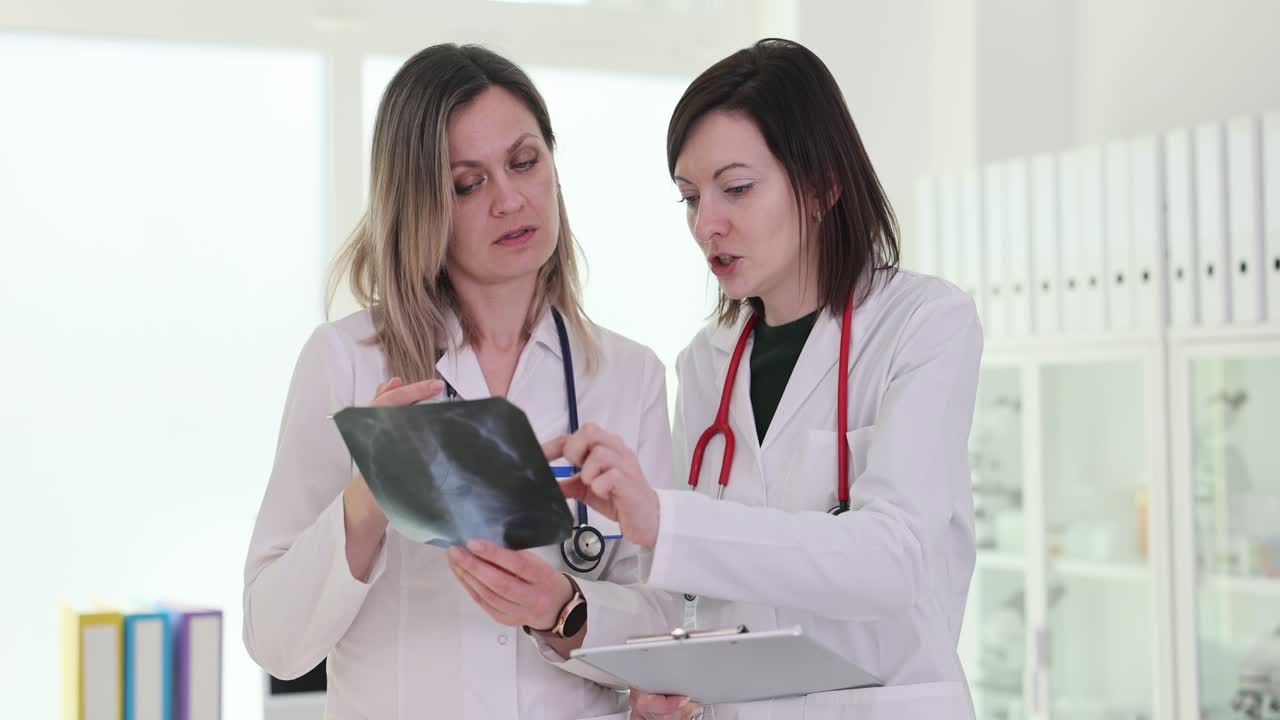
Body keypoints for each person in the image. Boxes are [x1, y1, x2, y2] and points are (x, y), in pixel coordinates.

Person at [545, 38, 984, 719]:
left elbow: (895, 558)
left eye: (737, 188)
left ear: (823, 183)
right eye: (690, 197)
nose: (706, 225)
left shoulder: (926, 324)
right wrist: (563, 608)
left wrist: (665, 518)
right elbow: (696, 593)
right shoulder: (704, 365)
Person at [242, 43, 681, 720]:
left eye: (524, 161)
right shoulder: (346, 362)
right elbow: (274, 641)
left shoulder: (627, 377)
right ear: (421, 206)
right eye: (467, 183)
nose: (510, 200)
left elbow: (666, 624)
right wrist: (369, 498)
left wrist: (563, 611)